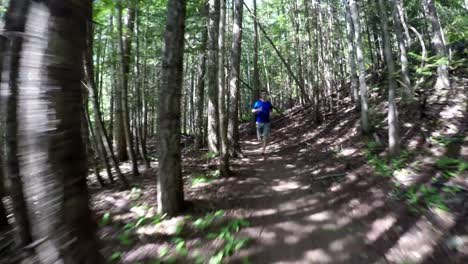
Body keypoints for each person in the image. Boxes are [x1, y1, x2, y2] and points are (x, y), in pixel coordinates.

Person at [252, 90, 273, 155]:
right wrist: (257, 109)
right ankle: (261, 140)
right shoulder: (257, 103)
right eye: (262, 94)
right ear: (261, 95)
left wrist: (271, 114)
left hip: (267, 122)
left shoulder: (268, 103)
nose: (264, 95)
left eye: (265, 94)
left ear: (266, 95)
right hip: (259, 122)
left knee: (265, 137)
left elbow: (271, 111)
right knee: (260, 138)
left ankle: (263, 151)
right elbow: (252, 111)